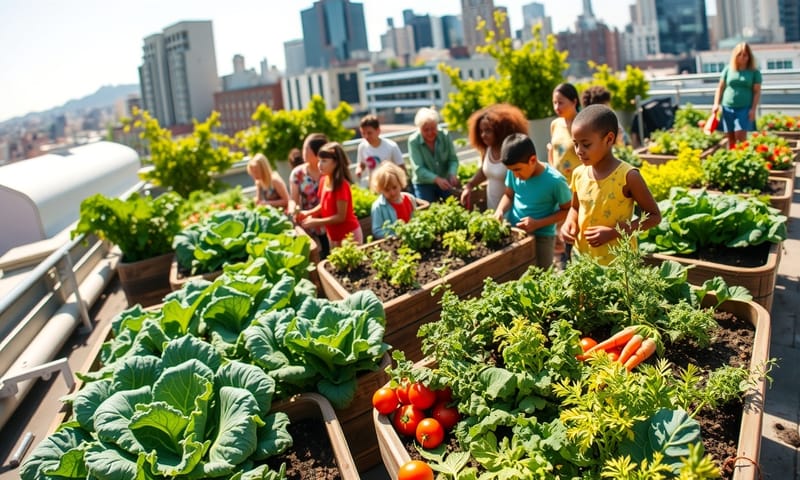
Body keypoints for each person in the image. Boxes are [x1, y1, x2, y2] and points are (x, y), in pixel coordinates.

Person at [561, 105, 662, 265]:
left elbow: (654, 217)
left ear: (608, 139)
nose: (579, 151)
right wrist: (569, 223)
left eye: (586, 144)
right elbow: (575, 208)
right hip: (583, 260)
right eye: (576, 144)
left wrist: (614, 232)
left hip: (618, 266)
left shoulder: (628, 176)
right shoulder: (579, 173)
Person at [493, 133, 572, 269]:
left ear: (533, 160)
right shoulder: (513, 172)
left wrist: (538, 223)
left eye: (518, 170)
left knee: (542, 274)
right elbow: (508, 195)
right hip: (515, 231)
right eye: (512, 171)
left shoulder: (555, 181)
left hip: (543, 237)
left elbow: (568, 210)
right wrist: (500, 210)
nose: (516, 175)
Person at [460, 104, 528, 211]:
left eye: (488, 130)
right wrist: (470, 185)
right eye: (481, 131)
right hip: (493, 208)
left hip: (514, 210)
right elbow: (484, 171)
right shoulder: (487, 149)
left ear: (501, 130)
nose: (483, 135)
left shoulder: (513, 151)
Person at [296, 142, 363, 248]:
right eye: (319, 160)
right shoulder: (323, 180)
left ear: (336, 163)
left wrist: (316, 222)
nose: (319, 164)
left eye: (324, 161)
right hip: (333, 236)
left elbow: (341, 217)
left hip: (349, 236)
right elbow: (324, 205)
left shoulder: (341, 185)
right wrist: (308, 213)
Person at [712, 42, 762, 148]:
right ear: (735, 55)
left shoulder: (754, 72)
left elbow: (757, 92)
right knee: (729, 136)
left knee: (740, 135)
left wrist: (753, 109)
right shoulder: (728, 69)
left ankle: (744, 156)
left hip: (744, 107)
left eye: (745, 55)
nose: (742, 57)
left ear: (749, 56)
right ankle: (733, 159)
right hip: (728, 106)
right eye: (739, 54)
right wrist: (716, 104)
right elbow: (720, 88)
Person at [407, 107, 460, 203]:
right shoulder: (413, 141)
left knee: (453, 203)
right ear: (419, 129)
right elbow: (418, 169)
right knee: (426, 208)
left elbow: (453, 159)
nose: (430, 133)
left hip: (444, 180)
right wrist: (436, 179)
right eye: (426, 130)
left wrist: (452, 173)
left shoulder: (445, 135)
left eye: (433, 128)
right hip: (424, 182)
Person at [289, 133, 330, 257]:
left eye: (306, 149)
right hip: (309, 223)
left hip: (329, 221)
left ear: (317, 153)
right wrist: (293, 209)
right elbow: (293, 200)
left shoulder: (329, 171)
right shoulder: (298, 173)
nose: (303, 152)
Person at [369, 161, 418, 239]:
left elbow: (416, 219)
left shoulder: (409, 198)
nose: (392, 192)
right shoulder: (378, 207)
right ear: (380, 189)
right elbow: (377, 230)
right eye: (387, 190)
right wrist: (393, 236)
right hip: (394, 243)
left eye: (394, 187)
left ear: (400, 183)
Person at [355, 114, 405, 184]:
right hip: (372, 186)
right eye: (363, 133)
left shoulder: (391, 146)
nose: (366, 136)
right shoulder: (362, 146)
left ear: (378, 131)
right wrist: (359, 169)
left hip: (389, 186)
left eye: (369, 133)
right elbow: (362, 163)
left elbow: (401, 167)